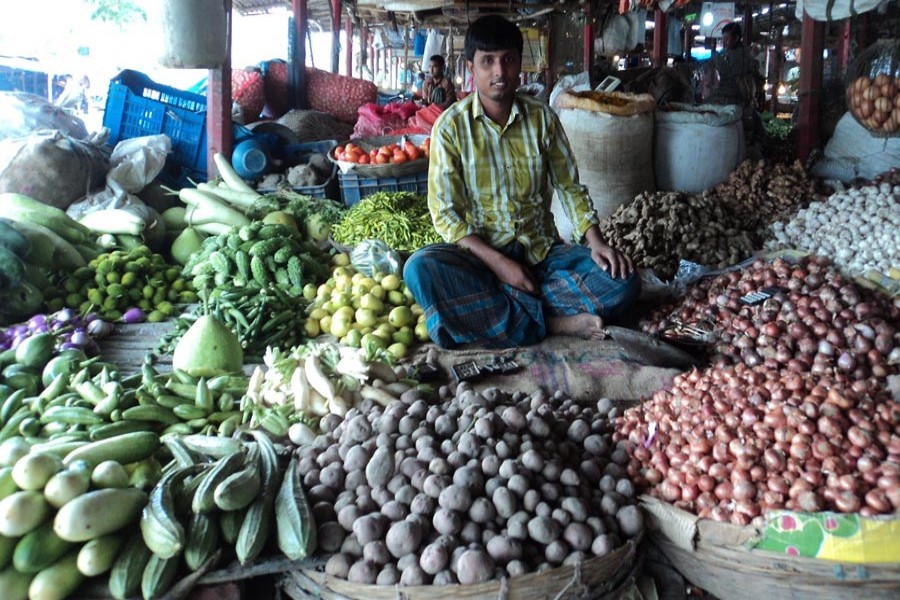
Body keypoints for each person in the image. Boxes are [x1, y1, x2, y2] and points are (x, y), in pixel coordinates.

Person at [403, 15, 640, 349]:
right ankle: (554, 323)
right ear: (472, 68)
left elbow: (568, 186)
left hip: (542, 254)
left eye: (508, 60)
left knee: (623, 281)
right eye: (487, 62)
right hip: (483, 259)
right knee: (420, 268)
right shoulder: (450, 128)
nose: (499, 72)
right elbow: (445, 213)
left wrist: (595, 240)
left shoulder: (542, 118)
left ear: (519, 65)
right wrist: (500, 265)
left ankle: (498, 314)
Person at [708, 23, 756, 107]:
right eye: (723, 39)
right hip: (728, 94)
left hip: (734, 97)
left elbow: (739, 79)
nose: (724, 42)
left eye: (727, 39)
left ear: (736, 38)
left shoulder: (740, 55)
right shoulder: (725, 53)